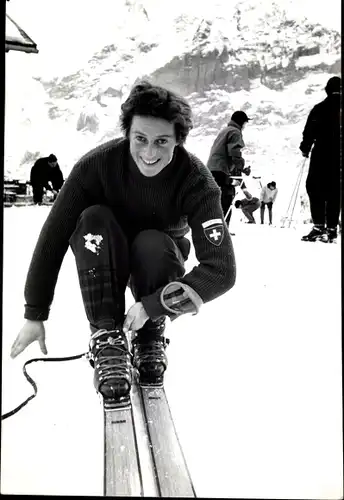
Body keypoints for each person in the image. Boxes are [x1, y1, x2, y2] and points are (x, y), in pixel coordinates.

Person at [10, 82, 236, 406]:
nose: (149, 153)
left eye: (162, 142)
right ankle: (106, 336)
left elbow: (221, 270)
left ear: (179, 141)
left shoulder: (196, 181)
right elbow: (53, 238)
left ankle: (150, 334)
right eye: (140, 139)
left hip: (157, 260)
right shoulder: (95, 166)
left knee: (152, 242)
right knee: (93, 219)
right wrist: (35, 312)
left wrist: (154, 306)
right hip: (103, 253)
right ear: (127, 133)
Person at [299, 76, 341, 243]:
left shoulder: (320, 108)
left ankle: (318, 227)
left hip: (323, 154)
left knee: (314, 187)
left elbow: (309, 131)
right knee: (335, 191)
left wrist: (305, 148)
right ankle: (332, 229)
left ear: (327, 90)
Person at [206, 110, 252, 226]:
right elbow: (234, 152)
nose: (245, 126)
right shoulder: (235, 132)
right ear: (241, 122)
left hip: (212, 169)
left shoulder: (225, 131)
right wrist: (242, 167)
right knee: (226, 199)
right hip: (221, 169)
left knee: (216, 201)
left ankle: (214, 229)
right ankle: (222, 230)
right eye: (245, 123)